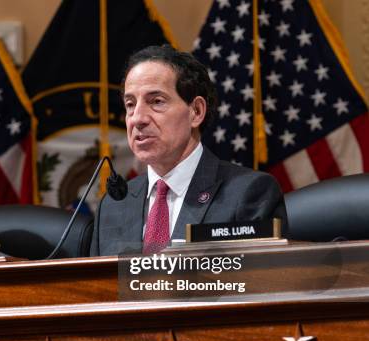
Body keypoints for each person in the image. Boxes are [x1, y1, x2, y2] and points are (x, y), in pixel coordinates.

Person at [91, 45, 287, 256]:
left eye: (156, 101)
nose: (137, 118)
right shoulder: (112, 206)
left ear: (196, 112)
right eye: (130, 104)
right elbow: (94, 288)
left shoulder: (249, 193)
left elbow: (259, 284)